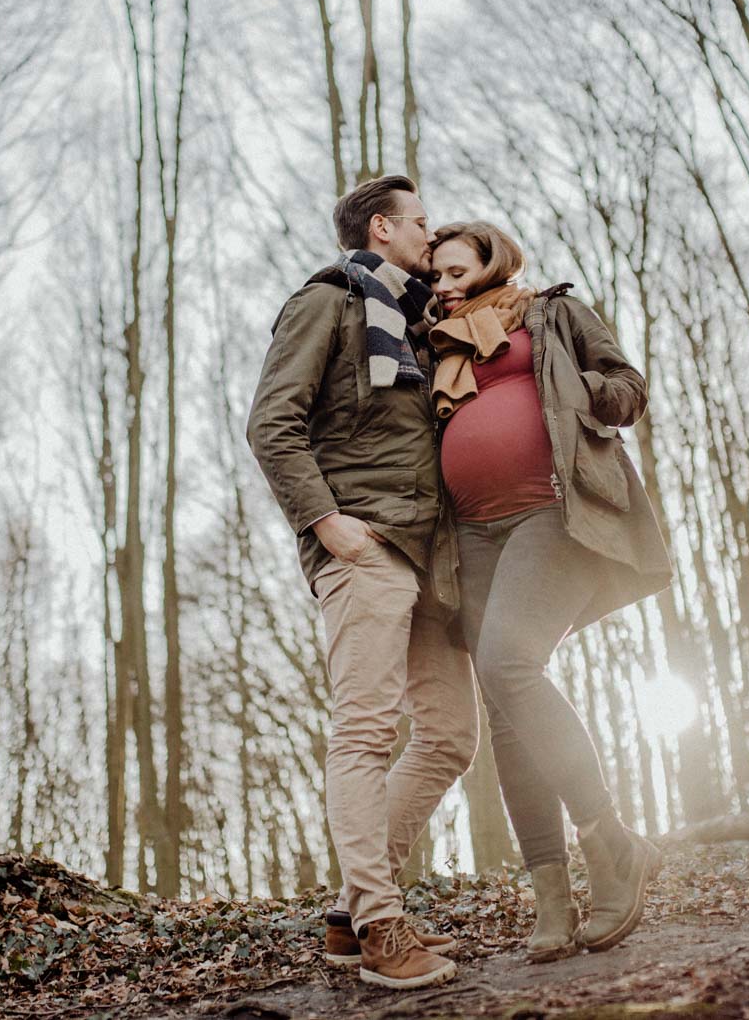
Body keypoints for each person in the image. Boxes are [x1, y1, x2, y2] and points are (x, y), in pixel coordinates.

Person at [246, 175, 476, 990]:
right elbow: (271, 421)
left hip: (428, 553)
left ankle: (350, 911)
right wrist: (323, 521)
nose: (430, 231)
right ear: (381, 228)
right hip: (364, 542)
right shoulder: (329, 302)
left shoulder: (416, 324)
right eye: (419, 221)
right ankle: (382, 924)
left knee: (450, 733)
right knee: (366, 731)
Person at [427, 221, 672, 963]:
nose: (440, 283)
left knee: (508, 665)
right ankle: (552, 898)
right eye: (433, 274)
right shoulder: (430, 346)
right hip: (469, 535)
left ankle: (611, 842)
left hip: (552, 512)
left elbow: (628, 390)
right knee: (504, 713)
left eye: (453, 268)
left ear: (491, 260)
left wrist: (577, 392)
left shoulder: (553, 312)